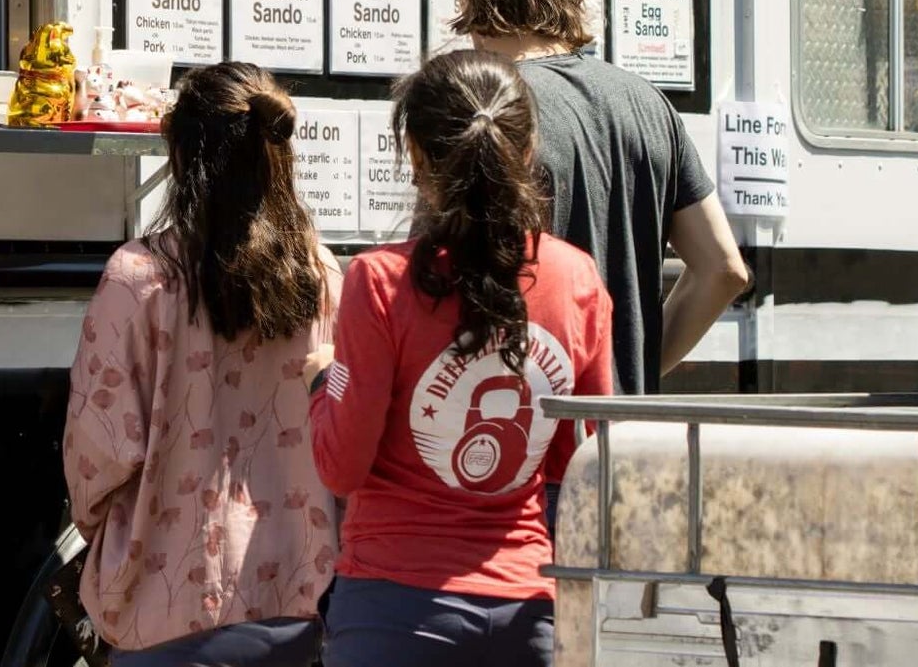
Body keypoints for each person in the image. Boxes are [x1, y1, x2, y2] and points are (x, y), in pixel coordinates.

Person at [307, 49, 613, 667]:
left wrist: (321, 384)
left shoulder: (378, 282)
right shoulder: (576, 277)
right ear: (528, 151)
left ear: (415, 157)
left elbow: (342, 467)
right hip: (529, 613)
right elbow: (576, 460)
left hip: (393, 612)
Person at [64, 63, 340, 666]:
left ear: (182, 155)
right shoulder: (321, 275)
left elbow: (97, 455)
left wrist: (106, 536)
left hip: (161, 607)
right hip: (296, 598)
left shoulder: (138, 279)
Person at [453, 0, 749, 393]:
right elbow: (724, 270)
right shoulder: (650, 104)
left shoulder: (490, 106)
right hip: (625, 428)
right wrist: (632, 370)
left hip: (524, 425)